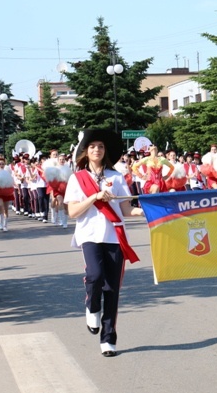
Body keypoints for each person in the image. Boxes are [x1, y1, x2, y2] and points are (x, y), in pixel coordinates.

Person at [64, 128, 144, 357]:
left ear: (105, 150)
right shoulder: (77, 179)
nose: (97, 150)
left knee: (112, 289)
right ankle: (92, 306)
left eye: (100, 146)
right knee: (95, 275)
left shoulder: (116, 176)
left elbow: (126, 209)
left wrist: (147, 211)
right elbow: (73, 212)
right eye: (92, 147)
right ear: (85, 152)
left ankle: (108, 338)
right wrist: (94, 197)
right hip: (89, 235)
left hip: (114, 236)